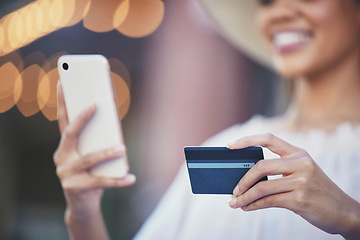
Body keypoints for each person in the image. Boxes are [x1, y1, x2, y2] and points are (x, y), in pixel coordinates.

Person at [53, 0, 360, 239]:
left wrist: (350, 218)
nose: (279, 12)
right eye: (267, 0)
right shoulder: (225, 148)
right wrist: (83, 214)